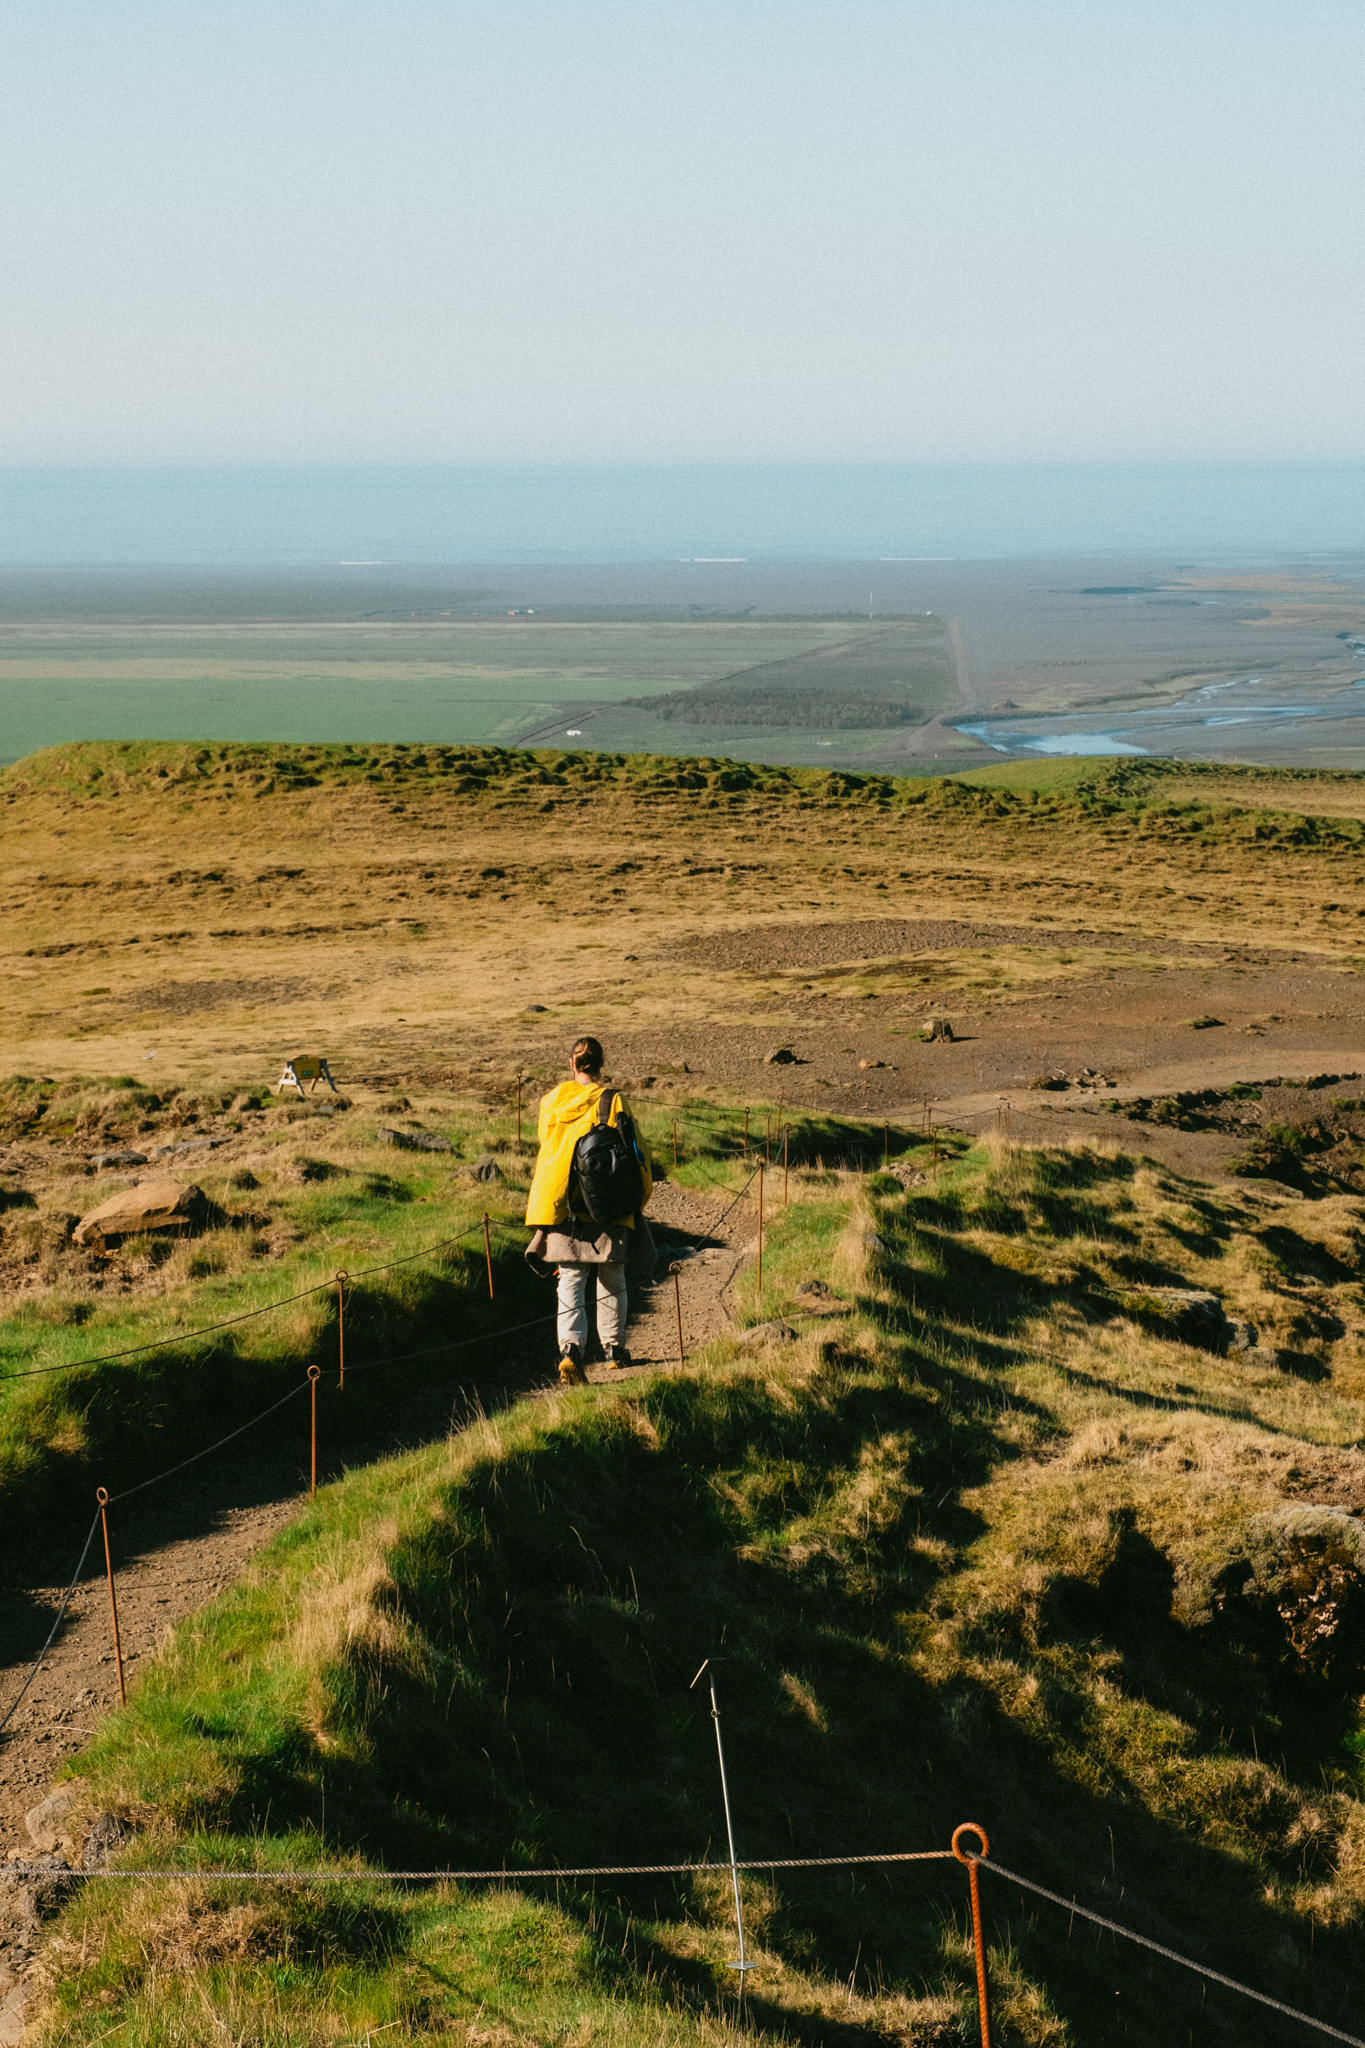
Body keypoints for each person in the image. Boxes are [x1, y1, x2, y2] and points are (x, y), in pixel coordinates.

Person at [524, 1036, 653, 1386]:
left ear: (572, 1064)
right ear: (600, 1064)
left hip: (565, 1201)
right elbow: (634, 1149)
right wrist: (641, 1194)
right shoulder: (612, 1099)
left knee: (571, 1278)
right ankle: (613, 1350)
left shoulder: (551, 1101)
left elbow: (545, 1144)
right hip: (607, 1201)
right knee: (612, 1277)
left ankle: (571, 1351)